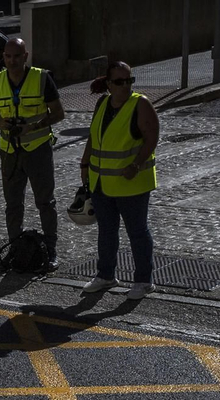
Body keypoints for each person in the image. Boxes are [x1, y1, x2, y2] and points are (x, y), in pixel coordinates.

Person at [0, 37, 64, 271]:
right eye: (8, 56)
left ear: (25, 56)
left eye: (17, 56)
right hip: (9, 152)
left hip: (37, 149)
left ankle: (51, 251)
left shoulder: (41, 77)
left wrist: (33, 126)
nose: (12, 61)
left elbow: (59, 113)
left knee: (45, 202)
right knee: (12, 204)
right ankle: (15, 249)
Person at [80, 61, 159, 300]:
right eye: (119, 82)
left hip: (132, 183)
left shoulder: (140, 104)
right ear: (109, 84)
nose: (125, 86)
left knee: (137, 232)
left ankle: (144, 280)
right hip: (102, 183)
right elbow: (93, 137)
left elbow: (152, 138)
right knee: (106, 231)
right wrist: (85, 164)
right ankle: (106, 275)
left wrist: (135, 165)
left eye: (129, 81)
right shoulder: (102, 103)